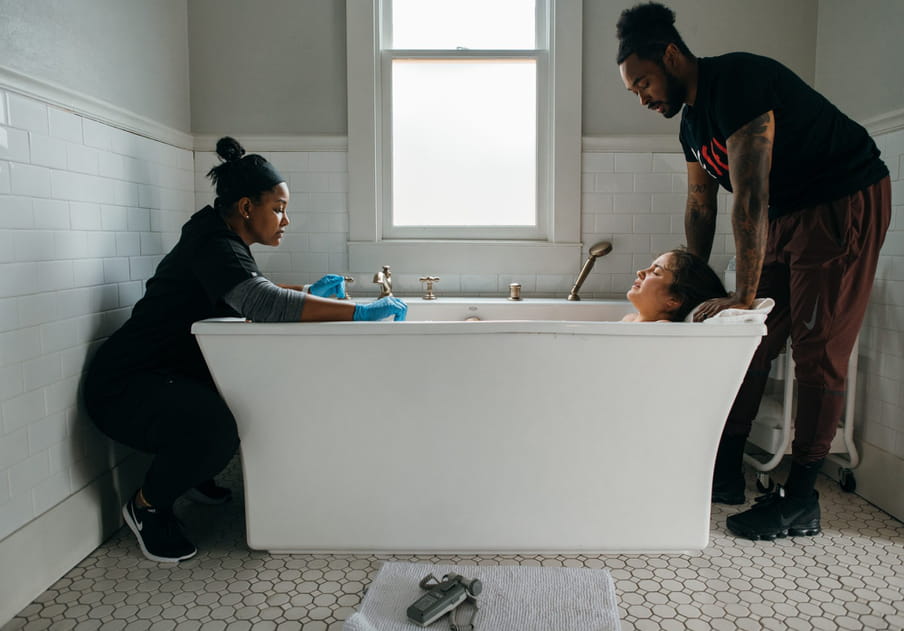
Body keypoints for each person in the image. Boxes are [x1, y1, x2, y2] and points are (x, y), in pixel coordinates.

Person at [616, 3, 891, 540]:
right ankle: (724, 470)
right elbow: (701, 206)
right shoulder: (691, 123)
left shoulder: (737, 80)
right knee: (748, 339)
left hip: (841, 199)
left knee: (817, 345)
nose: (643, 96)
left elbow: (750, 195)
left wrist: (742, 293)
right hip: (785, 217)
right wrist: (695, 288)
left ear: (672, 56)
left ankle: (801, 499)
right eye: (634, 90)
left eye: (644, 82)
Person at [83, 137, 408, 563]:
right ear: (245, 208)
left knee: (240, 399)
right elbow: (263, 303)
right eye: (278, 208)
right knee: (215, 429)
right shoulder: (213, 243)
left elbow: (243, 295)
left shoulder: (220, 239)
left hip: (161, 376)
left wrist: (310, 292)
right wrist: (356, 312)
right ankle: (148, 505)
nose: (285, 220)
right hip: (125, 388)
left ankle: (189, 472)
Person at [622, 248, 727, 322]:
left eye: (656, 272)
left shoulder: (662, 329)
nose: (640, 272)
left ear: (673, 301)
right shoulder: (629, 319)